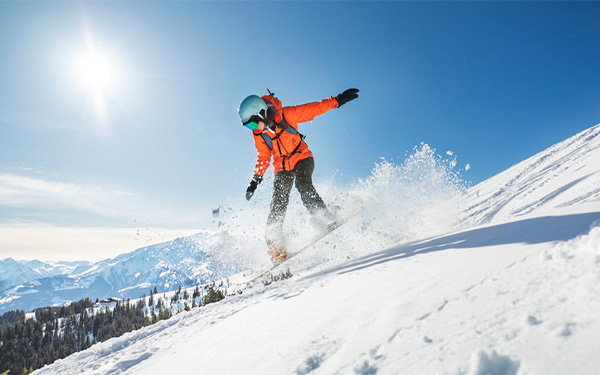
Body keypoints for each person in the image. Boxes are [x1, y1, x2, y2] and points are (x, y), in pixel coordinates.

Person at [238, 88, 359, 264]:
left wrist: (338, 100)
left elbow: (314, 109)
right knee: (278, 201)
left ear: (261, 113)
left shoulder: (287, 115)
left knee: (303, 184)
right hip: (281, 166)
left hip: (302, 156)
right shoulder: (259, 134)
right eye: (249, 126)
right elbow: (264, 157)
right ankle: (275, 246)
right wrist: (255, 181)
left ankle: (323, 216)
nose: (253, 128)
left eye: (253, 123)